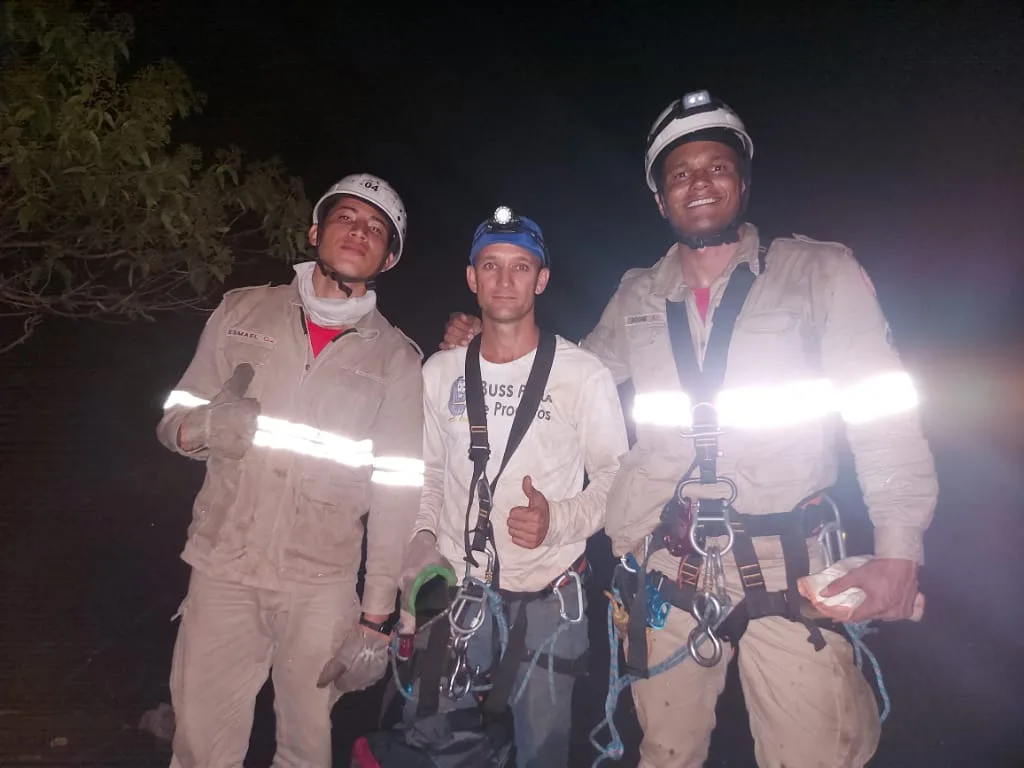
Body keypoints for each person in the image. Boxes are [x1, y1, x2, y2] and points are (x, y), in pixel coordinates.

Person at [441, 90, 939, 767]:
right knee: (665, 754)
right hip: (664, 567)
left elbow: (883, 410)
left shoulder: (817, 272)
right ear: (659, 198)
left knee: (817, 755)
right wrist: (490, 339)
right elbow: (567, 375)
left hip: (787, 566)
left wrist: (898, 549)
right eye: (679, 173)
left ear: (742, 180)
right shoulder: (638, 293)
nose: (698, 183)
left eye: (715, 166)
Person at [156, 173, 426, 768]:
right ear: (315, 231)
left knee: (305, 751)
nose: (360, 232)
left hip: (320, 585)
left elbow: (398, 490)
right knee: (200, 746)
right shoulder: (241, 310)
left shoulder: (399, 361)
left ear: (388, 258)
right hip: (223, 567)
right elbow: (174, 416)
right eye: (347, 218)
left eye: (377, 229)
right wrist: (201, 428)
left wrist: (376, 616)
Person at [396, 206, 629, 767]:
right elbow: (428, 473)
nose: (505, 281)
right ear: (472, 278)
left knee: (541, 752)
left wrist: (561, 521)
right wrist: (422, 541)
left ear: (541, 279)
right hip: (455, 592)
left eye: (520, 267)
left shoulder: (583, 375)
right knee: (432, 743)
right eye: (491, 266)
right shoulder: (440, 372)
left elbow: (619, 478)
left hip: (551, 598)